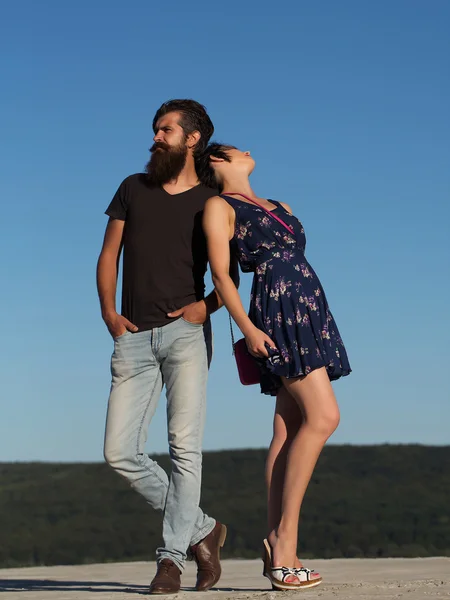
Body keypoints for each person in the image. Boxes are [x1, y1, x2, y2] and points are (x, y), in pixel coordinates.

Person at [200, 144, 351, 591]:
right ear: (217, 161)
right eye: (235, 149)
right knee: (325, 417)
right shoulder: (218, 206)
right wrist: (247, 328)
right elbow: (222, 275)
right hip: (276, 311)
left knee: (288, 428)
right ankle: (284, 541)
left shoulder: (280, 205)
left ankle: (277, 552)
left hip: (307, 307)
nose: (248, 150)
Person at [96, 101, 231, 595]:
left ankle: (171, 559)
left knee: (184, 450)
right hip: (132, 336)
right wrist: (110, 314)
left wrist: (206, 307)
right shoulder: (134, 187)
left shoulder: (213, 200)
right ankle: (203, 529)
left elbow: (229, 276)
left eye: (166, 129)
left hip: (187, 336)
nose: (156, 136)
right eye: (155, 129)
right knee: (119, 451)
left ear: (192, 139)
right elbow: (109, 254)